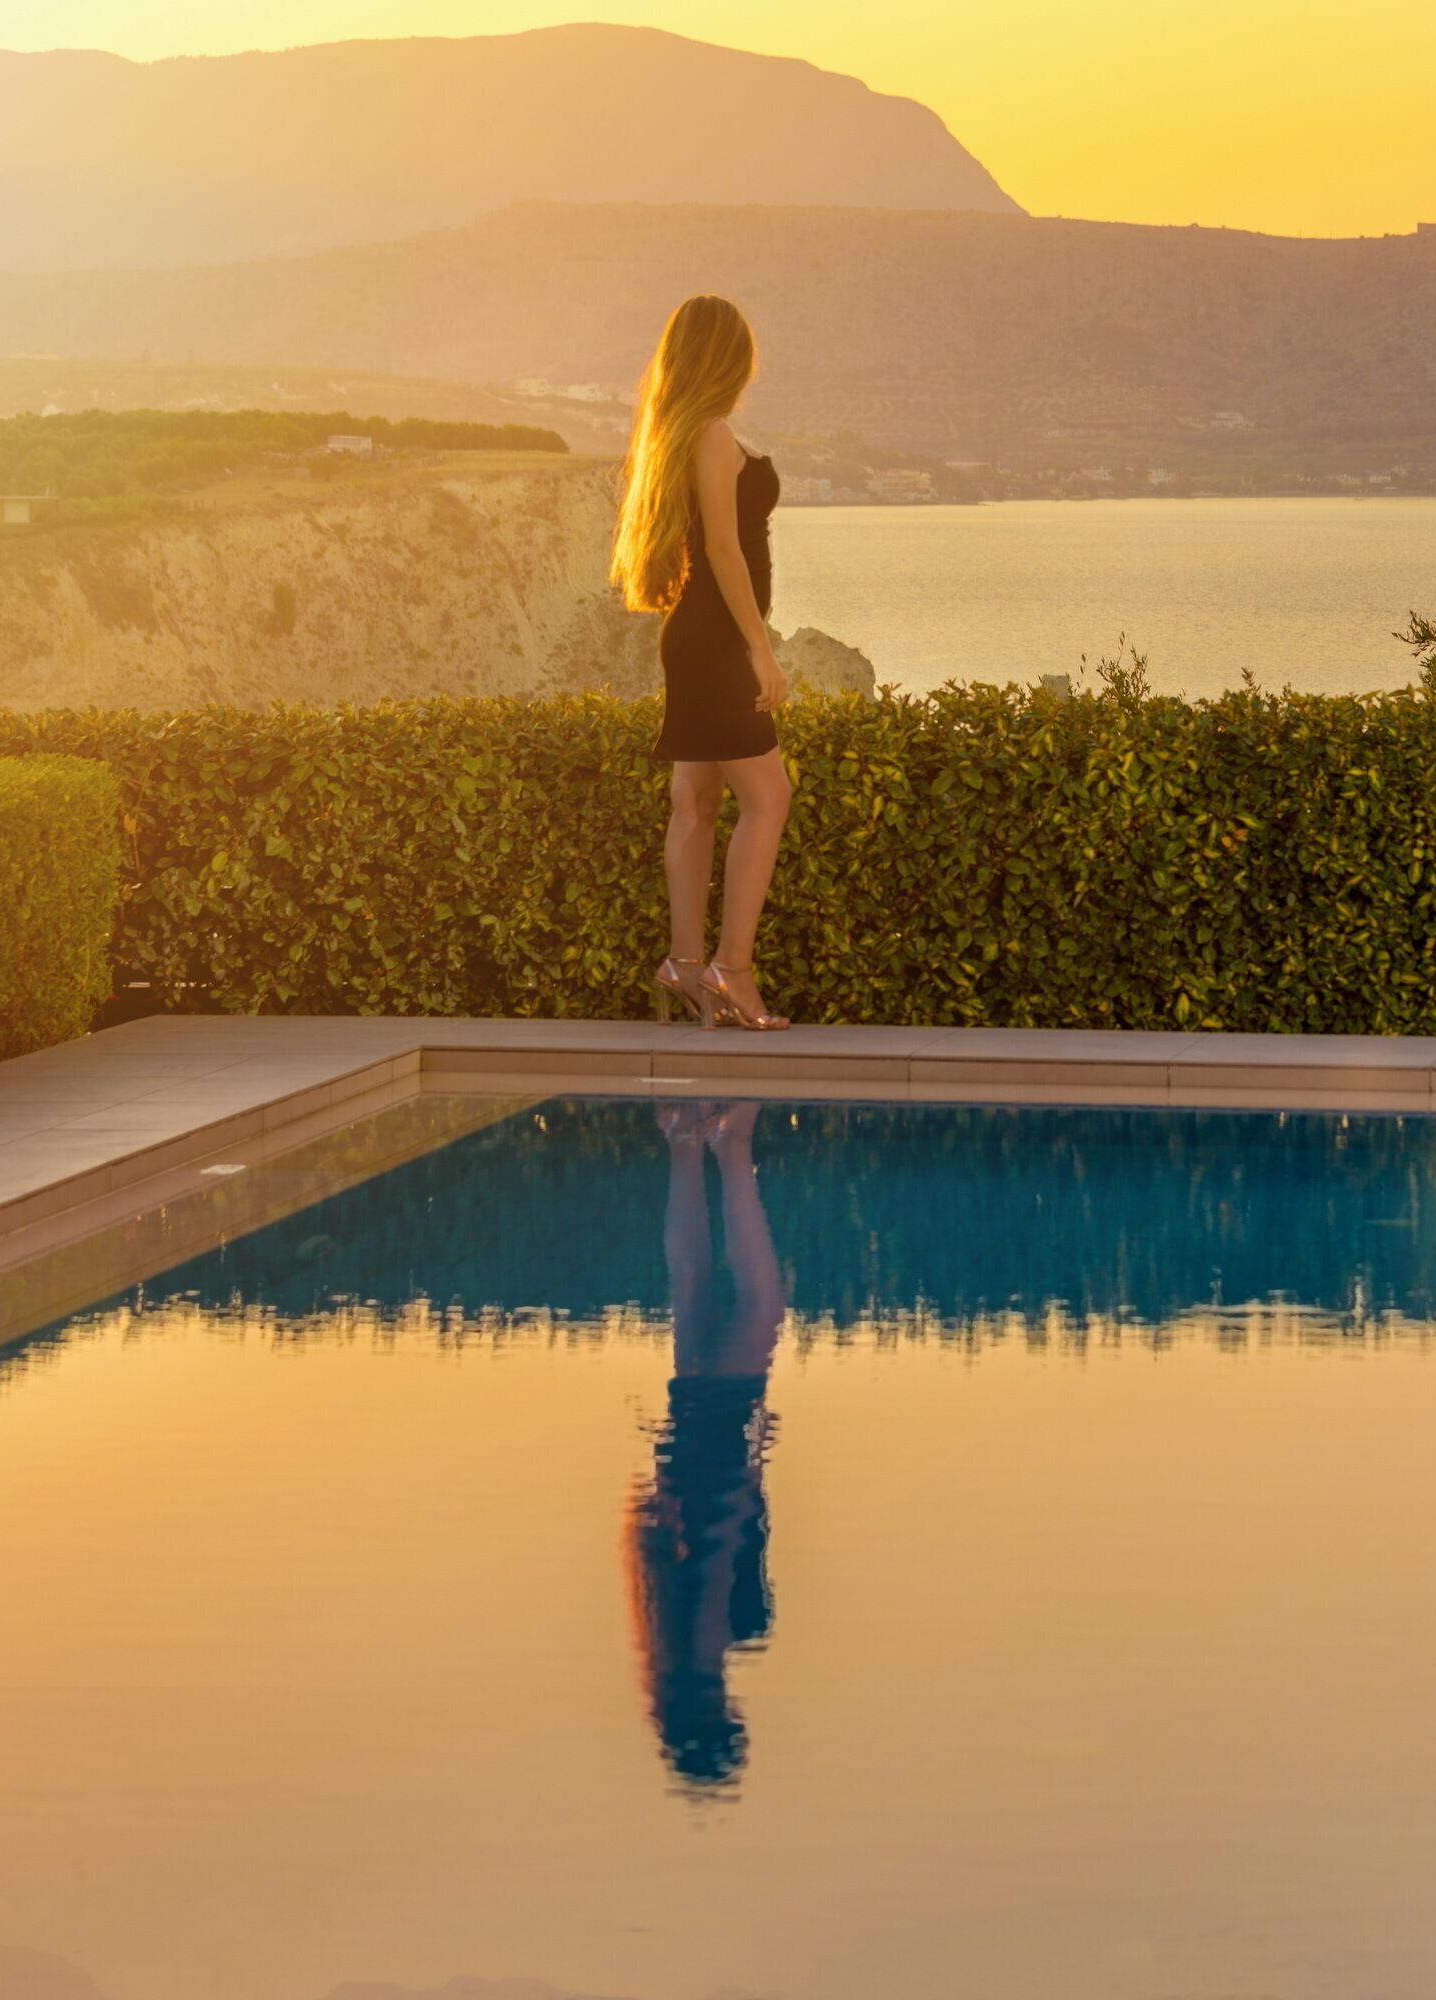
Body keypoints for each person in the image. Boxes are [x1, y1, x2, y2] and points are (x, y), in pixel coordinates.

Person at [611, 293, 795, 1031]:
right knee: (769, 797)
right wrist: (761, 649)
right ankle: (732, 972)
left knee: (694, 802)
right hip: (716, 641)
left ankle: (685, 965)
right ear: (729, 358)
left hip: (690, 636)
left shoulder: (678, 433)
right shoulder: (713, 435)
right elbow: (723, 547)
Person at [626, 1099, 787, 1790]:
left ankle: (731, 1142)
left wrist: (748, 1463)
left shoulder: (703, 1645)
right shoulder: (661, 1643)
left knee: (762, 1303)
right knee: (690, 1289)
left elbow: (720, 1541)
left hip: (715, 1462)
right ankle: (683, 1138)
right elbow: (673, 1535)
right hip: (688, 1462)